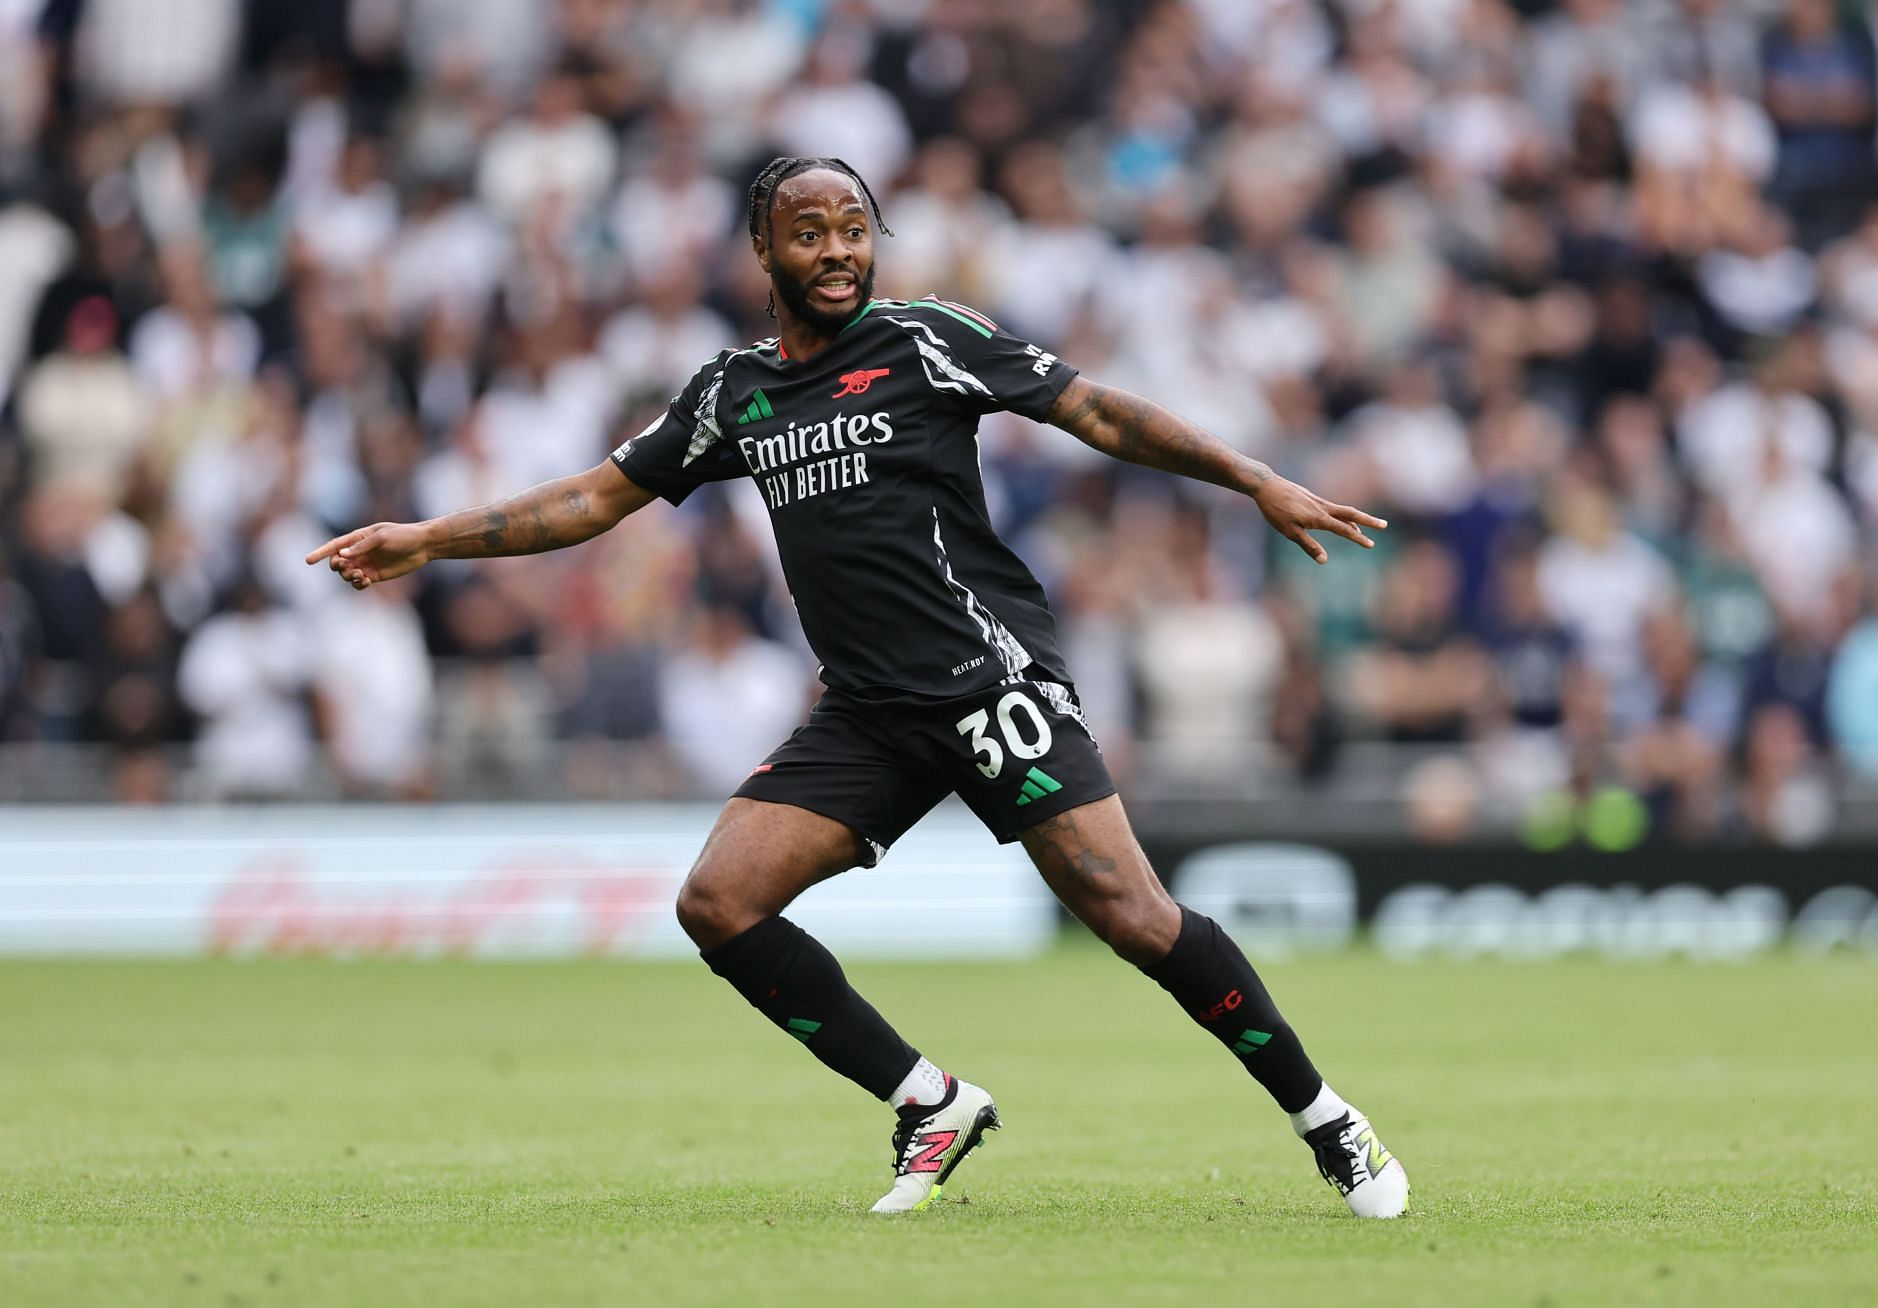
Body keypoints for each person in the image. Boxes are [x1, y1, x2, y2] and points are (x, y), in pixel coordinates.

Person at [307, 156, 1407, 1219]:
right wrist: (430, 541)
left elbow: (1099, 412)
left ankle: (1328, 1121)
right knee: (717, 904)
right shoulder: (732, 393)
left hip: (990, 684)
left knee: (1134, 918)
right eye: (811, 233)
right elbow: (593, 500)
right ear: (763, 250)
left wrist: (1254, 478)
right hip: (868, 713)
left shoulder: (928, 341)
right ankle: (929, 1103)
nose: (839, 252)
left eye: (853, 230)